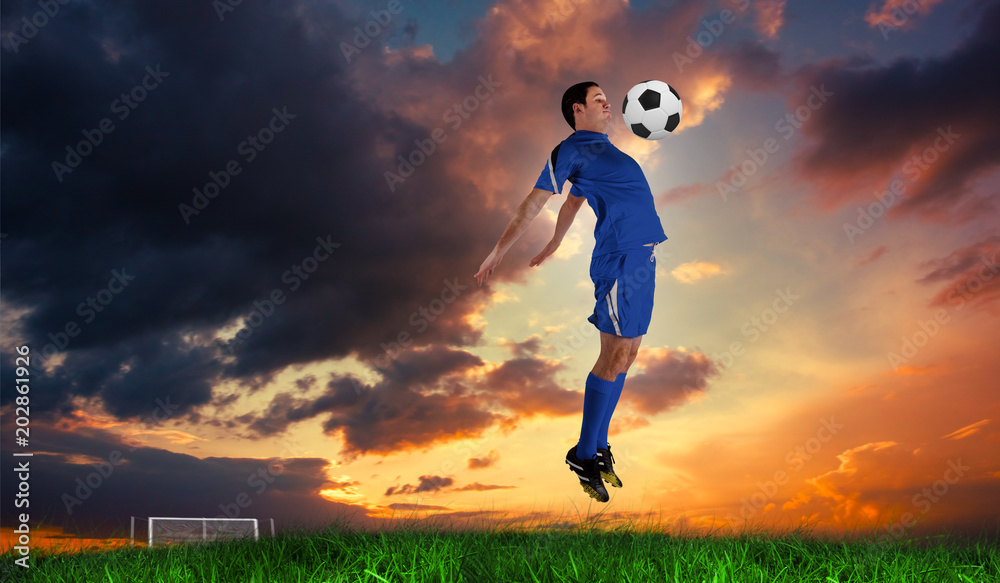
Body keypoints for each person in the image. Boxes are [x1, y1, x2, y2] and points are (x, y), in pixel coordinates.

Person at [474, 82, 667, 503]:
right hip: (618, 257)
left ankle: (599, 446)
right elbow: (534, 202)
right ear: (577, 109)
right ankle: (582, 455)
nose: (608, 104)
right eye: (599, 100)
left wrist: (558, 241)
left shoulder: (602, 154)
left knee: (629, 353)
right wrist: (498, 250)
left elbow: (573, 203)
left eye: (606, 99)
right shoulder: (570, 150)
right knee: (613, 354)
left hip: (643, 257)